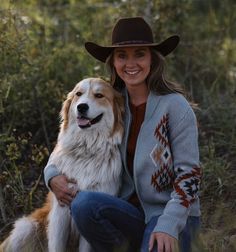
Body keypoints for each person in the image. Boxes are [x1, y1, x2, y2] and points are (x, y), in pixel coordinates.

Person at [44, 17, 202, 252]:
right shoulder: (111, 104)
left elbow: (189, 176)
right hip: (127, 213)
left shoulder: (175, 107)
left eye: (139, 54)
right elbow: (70, 143)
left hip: (171, 216)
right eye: (122, 55)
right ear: (113, 62)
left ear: (152, 59)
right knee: (84, 204)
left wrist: (169, 224)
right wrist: (51, 174)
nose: (131, 63)